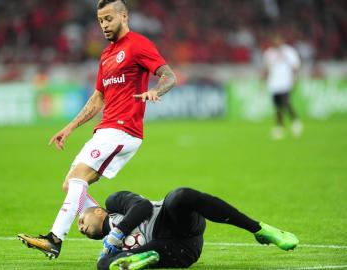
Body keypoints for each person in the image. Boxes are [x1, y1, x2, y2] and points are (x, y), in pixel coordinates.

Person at [18, 0, 176, 259]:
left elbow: (169, 75)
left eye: (108, 19)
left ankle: (55, 238)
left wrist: (155, 91)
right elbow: (98, 98)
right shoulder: (106, 55)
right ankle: (118, 225)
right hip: (104, 130)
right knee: (70, 183)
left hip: (124, 130)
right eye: (100, 20)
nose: (103, 25)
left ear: (124, 16)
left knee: (79, 175)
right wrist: (70, 126)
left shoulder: (138, 45)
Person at [77, 188, 299, 270]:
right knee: (102, 264)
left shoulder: (114, 202)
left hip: (171, 221)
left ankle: (259, 229)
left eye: (80, 221)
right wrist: (110, 253)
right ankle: (141, 259)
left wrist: (118, 233)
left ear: (97, 211)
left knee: (179, 196)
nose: (80, 229)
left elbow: (143, 207)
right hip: (177, 250)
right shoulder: (108, 248)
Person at [262, 34, 303, 140]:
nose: (277, 42)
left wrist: (294, 79)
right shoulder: (269, 53)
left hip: (285, 81)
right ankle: (280, 126)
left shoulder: (289, 52)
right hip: (273, 83)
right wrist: (264, 81)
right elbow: (266, 69)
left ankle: (294, 121)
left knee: (285, 102)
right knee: (277, 106)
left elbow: (295, 66)